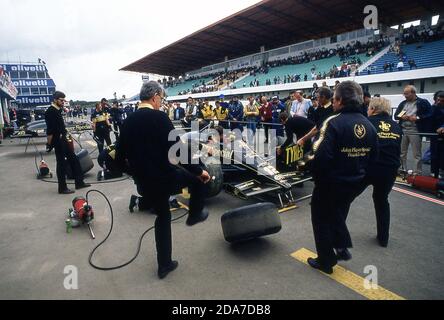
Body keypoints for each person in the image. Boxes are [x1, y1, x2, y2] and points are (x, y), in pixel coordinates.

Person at [116, 81, 211, 279]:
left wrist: (135, 172)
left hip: (144, 183)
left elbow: (118, 161)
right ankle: (194, 215)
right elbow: (179, 151)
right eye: (162, 99)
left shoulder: (128, 121)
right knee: (196, 181)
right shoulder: (159, 118)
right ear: (155, 96)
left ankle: (165, 265)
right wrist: (199, 170)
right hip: (164, 177)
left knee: (163, 217)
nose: (162, 102)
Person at [307, 81, 377, 274]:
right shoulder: (368, 125)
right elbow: (374, 159)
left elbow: (320, 157)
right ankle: (341, 246)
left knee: (321, 218)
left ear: (338, 100)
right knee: (337, 214)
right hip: (353, 184)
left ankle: (326, 260)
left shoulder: (333, 122)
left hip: (330, 183)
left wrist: (309, 167)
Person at [45, 91, 90, 194]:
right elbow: (50, 131)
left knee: (74, 159)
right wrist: (49, 144)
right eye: (61, 100)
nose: (63, 102)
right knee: (61, 164)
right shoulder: (50, 112)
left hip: (63, 139)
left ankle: (79, 182)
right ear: (55, 100)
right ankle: (62, 188)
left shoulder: (57, 110)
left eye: (63, 100)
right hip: (58, 141)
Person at [394, 85, 432, 174]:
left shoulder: (423, 102)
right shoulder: (403, 103)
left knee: (416, 153)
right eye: (404, 94)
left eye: (407, 94)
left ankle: (417, 172)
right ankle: (402, 169)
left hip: (415, 130)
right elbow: (396, 115)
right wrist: (402, 116)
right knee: (402, 152)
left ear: (413, 93)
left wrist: (418, 118)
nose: (405, 95)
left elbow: (430, 114)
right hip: (403, 129)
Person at [430, 91, 444, 178]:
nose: (439, 102)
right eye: (438, 100)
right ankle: (433, 171)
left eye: (442, 101)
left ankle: (442, 171)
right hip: (434, 134)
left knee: (442, 154)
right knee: (434, 153)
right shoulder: (433, 107)